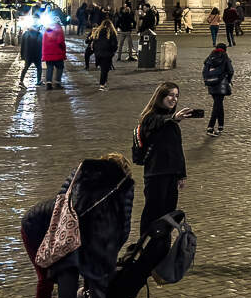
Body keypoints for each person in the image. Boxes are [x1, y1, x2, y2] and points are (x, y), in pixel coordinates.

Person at [27, 152, 135, 298]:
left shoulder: (80, 172)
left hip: (69, 247)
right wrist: (111, 247)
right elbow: (124, 226)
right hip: (99, 251)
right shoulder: (125, 185)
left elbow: (61, 202)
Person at [133, 81, 200, 239]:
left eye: (176, 96)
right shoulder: (149, 118)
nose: (174, 99)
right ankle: (145, 246)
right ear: (160, 97)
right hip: (156, 174)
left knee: (168, 216)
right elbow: (157, 122)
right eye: (170, 95)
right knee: (152, 214)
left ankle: (163, 246)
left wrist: (181, 175)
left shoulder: (172, 125)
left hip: (171, 175)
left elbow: (177, 150)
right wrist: (173, 118)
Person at [201, 43, 233, 136]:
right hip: (221, 84)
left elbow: (204, 71)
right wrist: (228, 80)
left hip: (211, 84)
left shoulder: (210, 57)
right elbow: (231, 71)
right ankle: (210, 127)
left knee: (218, 104)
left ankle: (220, 125)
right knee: (217, 105)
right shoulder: (225, 57)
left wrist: (207, 80)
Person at [92, 19, 120, 89]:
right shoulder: (112, 32)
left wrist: (96, 52)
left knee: (104, 69)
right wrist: (112, 52)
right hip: (107, 54)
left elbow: (94, 43)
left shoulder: (98, 32)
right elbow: (114, 44)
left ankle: (104, 82)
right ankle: (102, 85)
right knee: (104, 70)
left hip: (98, 53)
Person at [42, 18, 68, 89]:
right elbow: (60, 41)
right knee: (60, 67)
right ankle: (57, 83)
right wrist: (63, 49)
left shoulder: (46, 30)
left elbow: (43, 42)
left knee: (49, 68)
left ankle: (48, 84)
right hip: (57, 53)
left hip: (48, 53)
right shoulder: (58, 29)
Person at [19, 17, 43, 86]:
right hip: (37, 55)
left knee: (26, 68)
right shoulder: (40, 34)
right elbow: (42, 45)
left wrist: (22, 55)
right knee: (39, 68)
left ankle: (21, 81)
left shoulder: (26, 34)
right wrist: (42, 55)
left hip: (28, 55)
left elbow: (22, 46)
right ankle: (38, 81)